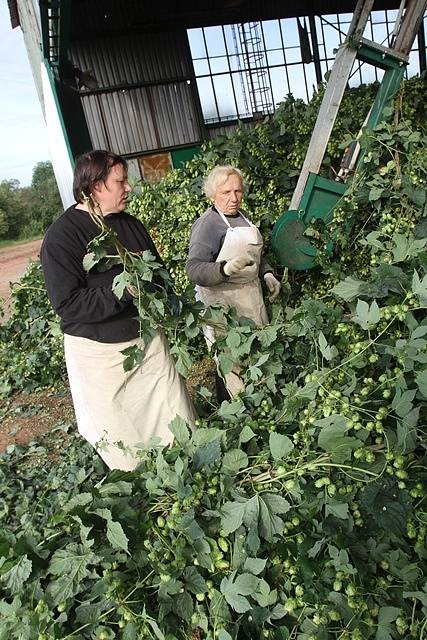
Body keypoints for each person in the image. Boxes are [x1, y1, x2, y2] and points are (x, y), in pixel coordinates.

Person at [40, 150, 195, 471]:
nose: (129, 188)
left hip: (148, 343)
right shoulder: (62, 237)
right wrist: (122, 290)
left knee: (175, 416)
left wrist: (169, 298)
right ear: (95, 186)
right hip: (100, 357)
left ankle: (187, 468)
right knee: (124, 438)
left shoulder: (130, 225)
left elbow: (159, 274)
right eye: (121, 182)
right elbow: (67, 304)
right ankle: (140, 483)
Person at [186, 165, 281, 399]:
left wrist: (266, 273)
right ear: (212, 194)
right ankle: (234, 414)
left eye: (238, 191)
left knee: (259, 358)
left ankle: (262, 407)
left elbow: (255, 254)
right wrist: (224, 268)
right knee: (232, 364)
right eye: (226, 192)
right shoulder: (207, 225)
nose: (233, 198)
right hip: (224, 306)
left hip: (251, 298)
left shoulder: (243, 218)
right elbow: (194, 269)